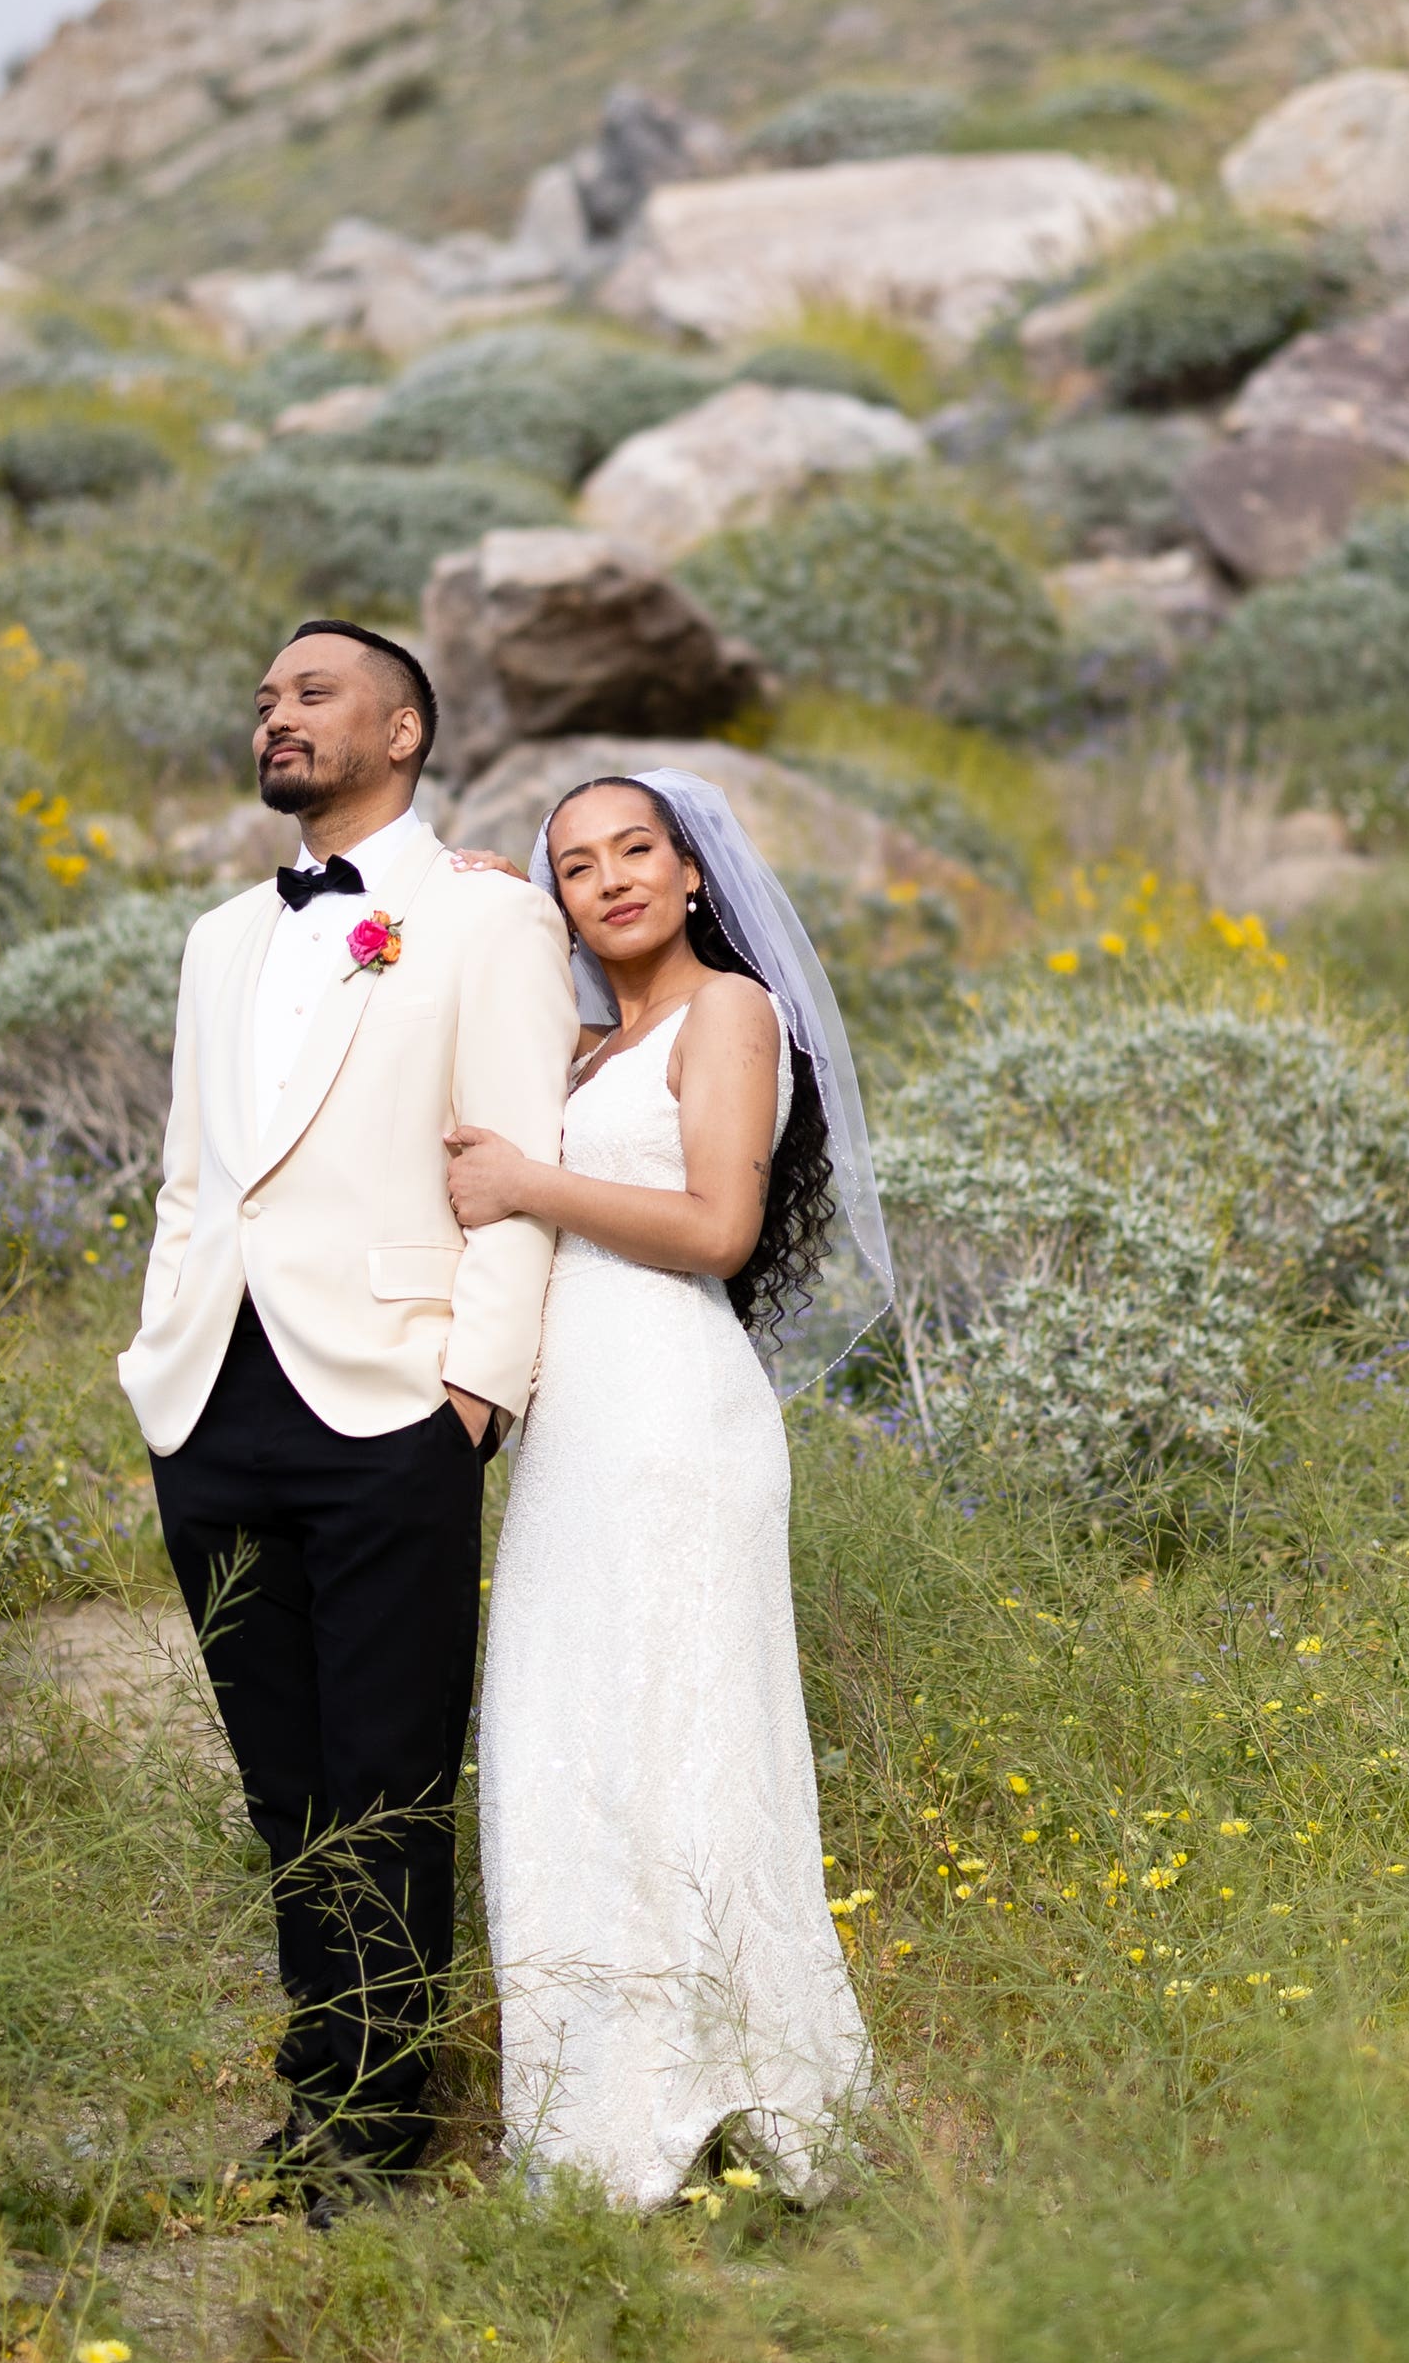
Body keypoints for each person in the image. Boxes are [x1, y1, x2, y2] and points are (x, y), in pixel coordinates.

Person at [118, 619, 578, 2210]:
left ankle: (382, 2129)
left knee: (389, 1780)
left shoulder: (485, 922)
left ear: (402, 733)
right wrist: (157, 1364)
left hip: (390, 1397)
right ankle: (316, 2091)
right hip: (212, 1403)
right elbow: (193, 1176)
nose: (277, 717)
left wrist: (474, 1392)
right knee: (283, 1787)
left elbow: (515, 1160)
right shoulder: (217, 940)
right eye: (264, 699)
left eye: (313, 694)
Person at [443, 768, 885, 2209]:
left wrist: (526, 1185)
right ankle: (597, 2119)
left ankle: (740, 2099)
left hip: (677, 1426)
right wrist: (453, 896)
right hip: (579, 1439)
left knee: (685, 1745)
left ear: (695, 874)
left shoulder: (730, 1015)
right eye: (576, 865)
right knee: (568, 1747)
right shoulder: (574, 1050)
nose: (611, 878)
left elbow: (715, 1223)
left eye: (639, 849)